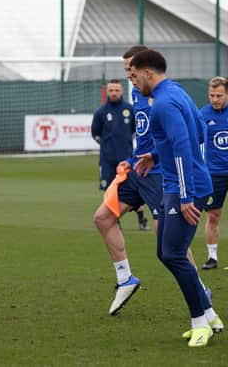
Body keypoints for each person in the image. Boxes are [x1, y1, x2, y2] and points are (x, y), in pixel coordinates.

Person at [131, 49, 223, 348]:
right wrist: (154, 154)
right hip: (184, 184)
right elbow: (196, 131)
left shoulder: (164, 102)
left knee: (172, 253)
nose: (132, 80)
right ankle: (209, 315)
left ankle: (200, 321)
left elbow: (184, 145)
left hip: (186, 188)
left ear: (148, 73)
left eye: (134, 73)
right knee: (167, 252)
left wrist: (185, 195)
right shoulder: (176, 92)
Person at [93, 46, 161, 315]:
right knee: (103, 217)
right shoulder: (136, 92)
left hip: (159, 175)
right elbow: (144, 136)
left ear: (147, 67)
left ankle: (199, 290)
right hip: (136, 171)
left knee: (169, 243)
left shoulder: (165, 94)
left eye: (131, 67)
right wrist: (132, 159)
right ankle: (125, 278)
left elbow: (182, 135)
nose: (128, 73)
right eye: (125, 69)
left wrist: (153, 156)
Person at [91, 79, 149, 231]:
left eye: (117, 90)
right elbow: (95, 133)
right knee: (110, 192)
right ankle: (115, 221)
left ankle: (142, 220)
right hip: (107, 161)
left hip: (128, 160)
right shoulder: (101, 112)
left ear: (122, 91)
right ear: (107, 92)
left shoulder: (130, 110)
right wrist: (107, 146)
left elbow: (137, 130)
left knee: (134, 190)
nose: (114, 93)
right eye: (111, 90)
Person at [199, 76, 228, 270]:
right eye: (212, 95)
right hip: (215, 174)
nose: (215, 99)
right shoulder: (202, 114)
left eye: (219, 95)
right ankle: (212, 257)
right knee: (213, 215)